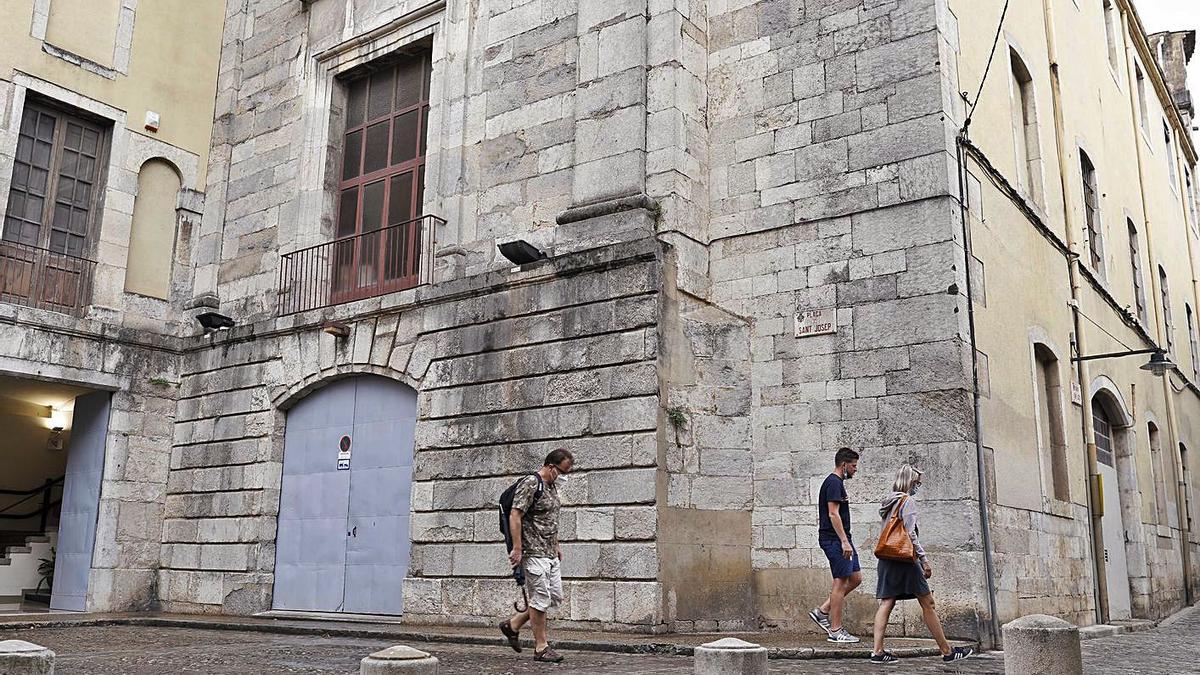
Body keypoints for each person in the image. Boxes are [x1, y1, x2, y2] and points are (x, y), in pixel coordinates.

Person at [869, 464, 974, 664]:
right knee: (928, 603)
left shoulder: (889, 501)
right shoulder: (907, 501)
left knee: (886, 602)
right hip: (905, 559)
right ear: (909, 482)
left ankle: (878, 652)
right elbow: (911, 535)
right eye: (917, 483)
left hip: (887, 559)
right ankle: (947, 651)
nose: (918, 486)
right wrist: (924, 560)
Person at [499, 448, 574, 663]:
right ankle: (541, 648)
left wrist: (557, 544)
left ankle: (512, 625)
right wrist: (517, 548)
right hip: (533, 552)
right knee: (540, 598)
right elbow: (515, 515)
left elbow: (550, 518)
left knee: (553, 597)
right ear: (551, 467)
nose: (565, 476)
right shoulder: (532, 483)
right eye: (563, 471)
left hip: (549, 551)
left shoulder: (551, 486)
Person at [809, 447, 863, 643]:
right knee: (840, 582)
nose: (855, 470)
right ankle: (835, 630)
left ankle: (822, 611)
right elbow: (833, 514)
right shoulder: (833, 483)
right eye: (854, 466)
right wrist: (843, 541)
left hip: (842, 538)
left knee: (856, 578)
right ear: (844, 464)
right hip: (834, 540)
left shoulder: (837, 483)